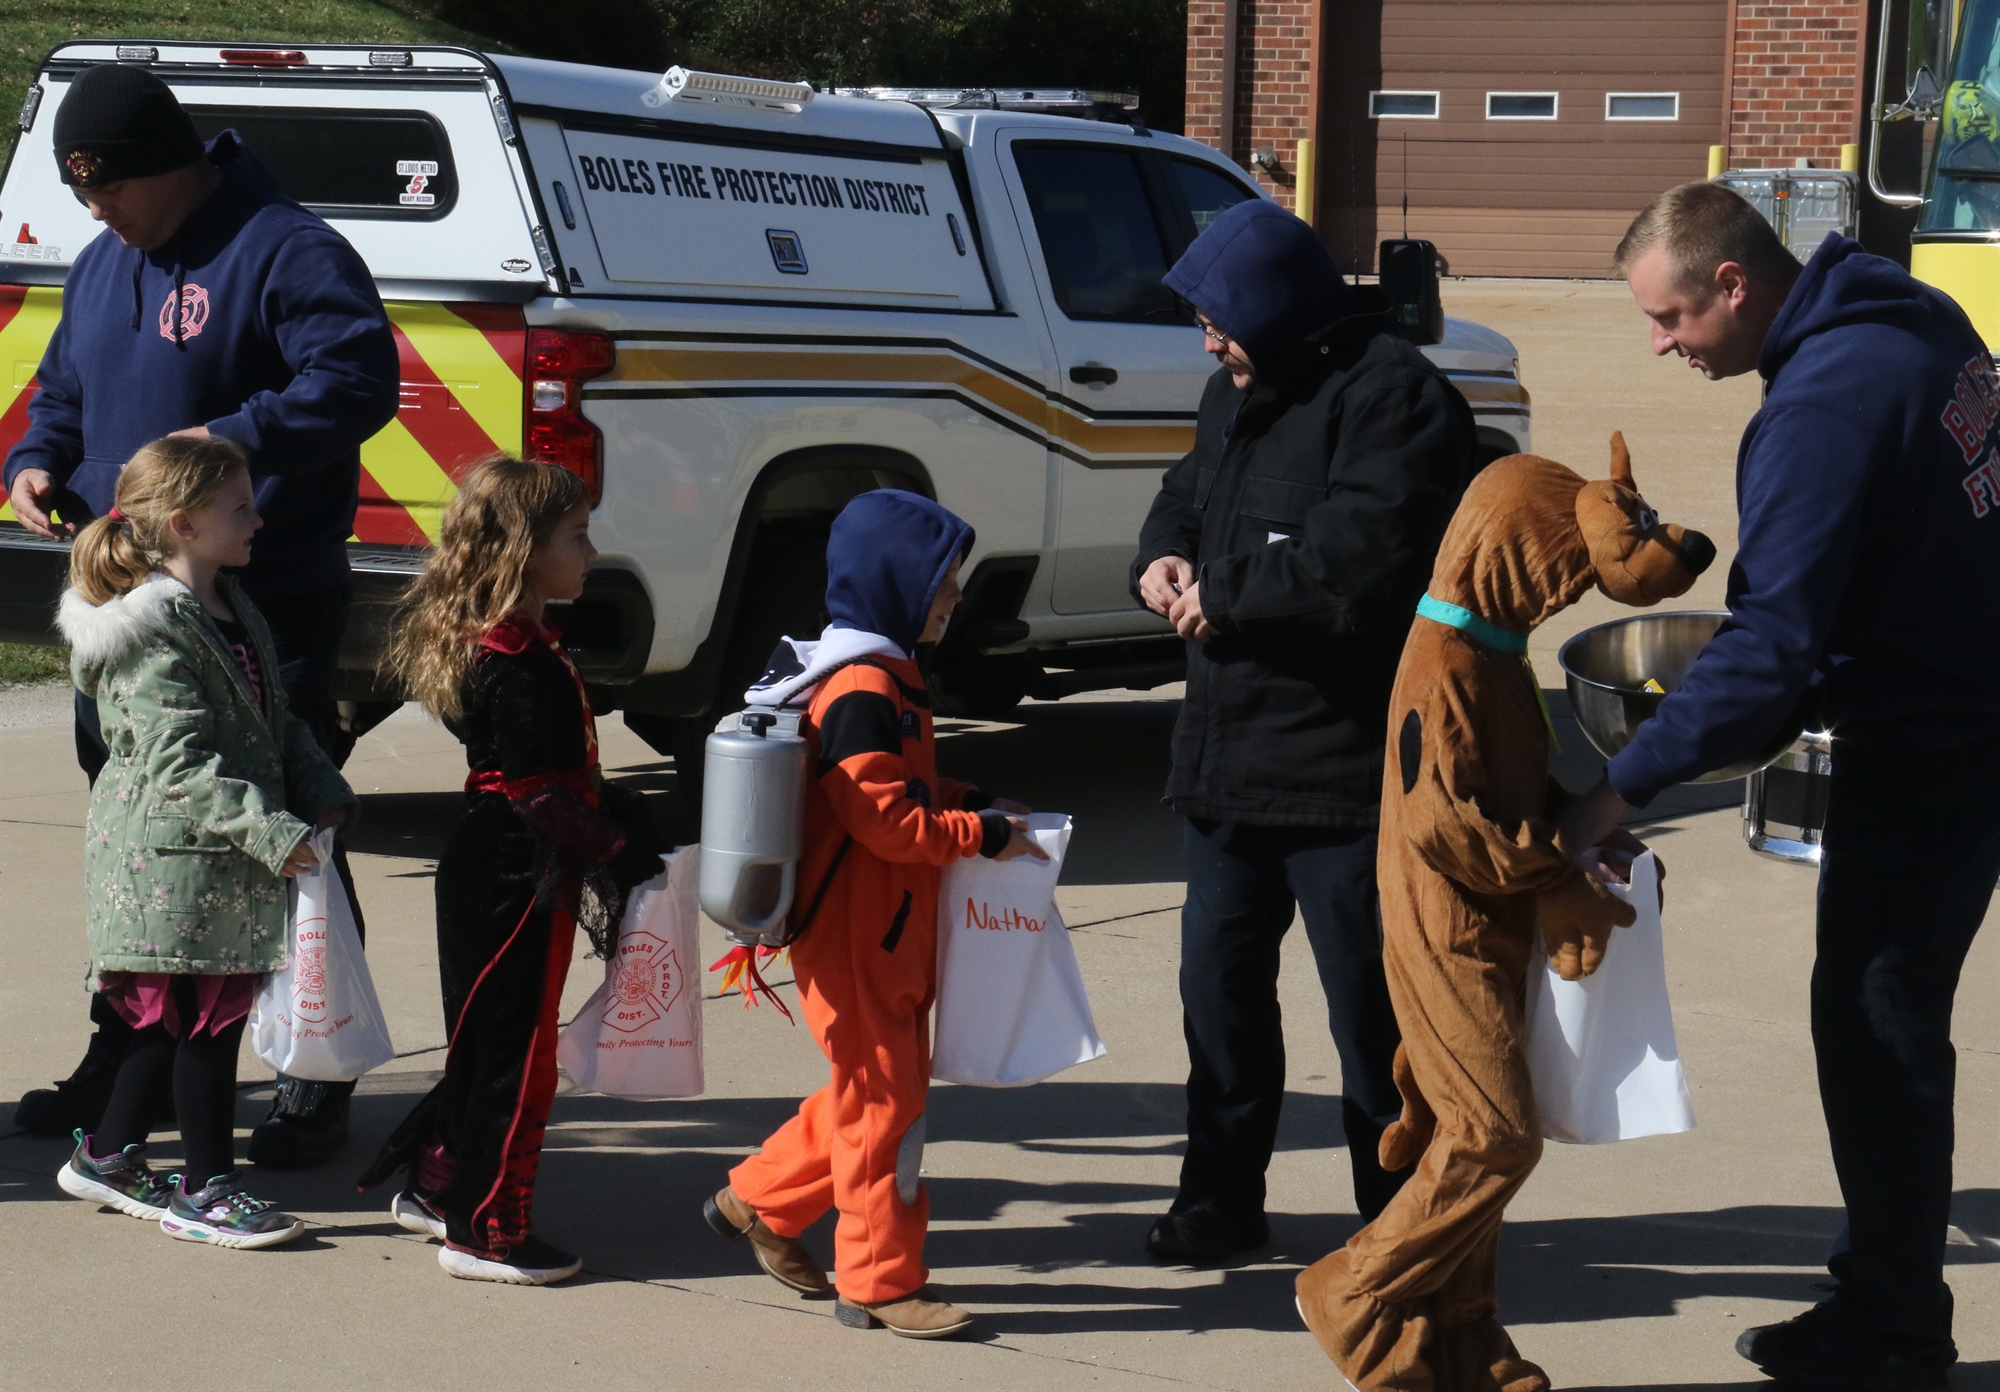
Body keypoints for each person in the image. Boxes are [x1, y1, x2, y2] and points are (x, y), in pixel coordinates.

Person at [1555, 182, 2000, 1392]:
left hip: (1927, 751)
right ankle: (1882, 1295)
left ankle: (1892, 1329)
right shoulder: (1915, 317)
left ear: (1734, 286)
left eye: (1670, 318)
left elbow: (1764, 648)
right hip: (1970, 710)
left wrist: (1618, 787)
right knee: (1889, 1027)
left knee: (1875, 1031)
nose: (1660, 345)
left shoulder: (1817, 408)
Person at [4, 62, 400, 1163]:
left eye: (108, 188)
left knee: (278, 828)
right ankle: (131, 1055)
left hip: (258, 603)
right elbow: (59, 394)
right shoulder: (100, 267)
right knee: (148, 838)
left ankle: (311, 1067)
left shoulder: (286, 249)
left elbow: (359, 380)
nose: (94, 210)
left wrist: (218, 448)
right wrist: (36, 460)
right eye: (81, 191)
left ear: (168, 167)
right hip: (130, 612)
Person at [1294, 440, 1712, 1392]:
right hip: (1445, 931)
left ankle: (1464, 1339)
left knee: (1463, 1139)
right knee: (1494, 1137)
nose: (1561, 600)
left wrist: (1581, 830)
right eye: (1558, 580)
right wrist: (1552, 873)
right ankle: (1356, 1290)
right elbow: (1449, 824)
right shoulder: (1442, 667)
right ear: (1511, 556)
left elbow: (1505, 784)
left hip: (1491, 923)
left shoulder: (1490, 653)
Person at [1129, 199, 1477, 1260]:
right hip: (1225, 767)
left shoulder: (1397, 400)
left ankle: (1397, 1235)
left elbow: (1359, 560)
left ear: (1275, 307)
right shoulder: (1228, 390)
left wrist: (1227, 594)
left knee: (1375, 1027)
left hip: (1346, 777)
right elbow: (1184, 495)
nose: (1205, 340)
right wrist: (1163, 559)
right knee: (1218, 1004)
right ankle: (1217, 1202)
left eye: (1216, 317)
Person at [704, 489, 1044, 1339]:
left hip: (879, 935)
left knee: (871, 1095)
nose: (955, 597)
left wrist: (971, 797)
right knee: (886, 1111)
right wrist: (982, 833)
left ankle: (758, 1200)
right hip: (861, 939)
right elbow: (885, 821)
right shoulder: (863, 684)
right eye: (944, 581)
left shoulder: (878, 673)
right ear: (898, 582)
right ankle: (881, 1283)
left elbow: (899, 790)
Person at [356, 457, 664, 1285]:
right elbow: (534, 795)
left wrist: (612, 818)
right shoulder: (514, 658)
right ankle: (485, 1229)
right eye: (577, 536)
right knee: (513, 1056)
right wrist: (619, 847)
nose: (592, 553)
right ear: (526, 549)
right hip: (509, 874)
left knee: (489, 1042)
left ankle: (438, 1182)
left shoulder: (527, 641)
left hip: (509, 865)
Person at [50, 435, 354, 1249]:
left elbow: (275, 717)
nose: (258, 519)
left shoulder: (228, 603)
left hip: (217, 857)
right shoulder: (149, 630)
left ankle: (110, 1156)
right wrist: (270, 830)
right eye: (240, 507)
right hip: (170, 861)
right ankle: (207, 1191)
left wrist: (321, 793)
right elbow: (177, 762)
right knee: (202, 1023)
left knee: (169, 1020)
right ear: (183, 523)